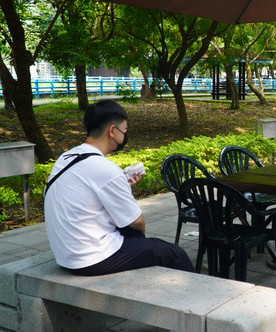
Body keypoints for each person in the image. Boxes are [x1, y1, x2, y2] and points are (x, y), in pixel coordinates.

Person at [44, 100, 194, 276]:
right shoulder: (105, 169)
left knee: (142, 243)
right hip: (90, 258)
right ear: (112, 130)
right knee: (175, 254)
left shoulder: (67, 157)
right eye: (124, 130)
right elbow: (136, 222)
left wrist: (123, 185)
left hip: (66, 254)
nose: (125, 135)